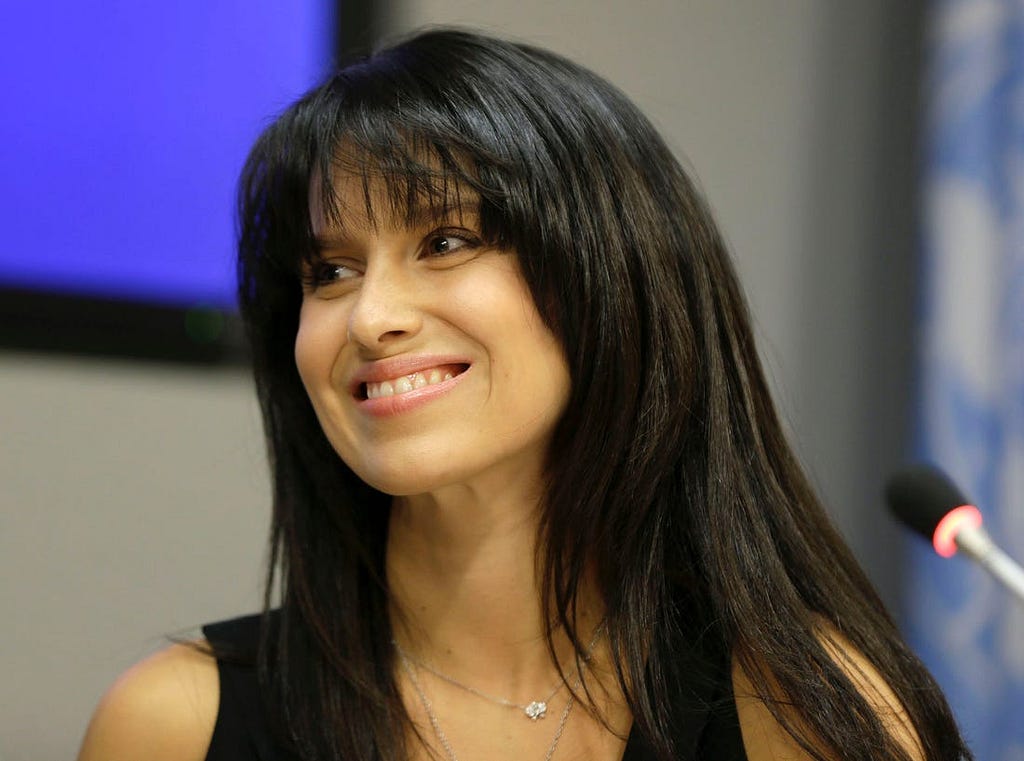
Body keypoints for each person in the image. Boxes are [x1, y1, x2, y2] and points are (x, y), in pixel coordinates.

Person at [77, 28, 972, 761]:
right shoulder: (173, 724)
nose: (371, 316)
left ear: (615, 277)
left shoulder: (805, 712)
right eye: (331, 269)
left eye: (447, 240)